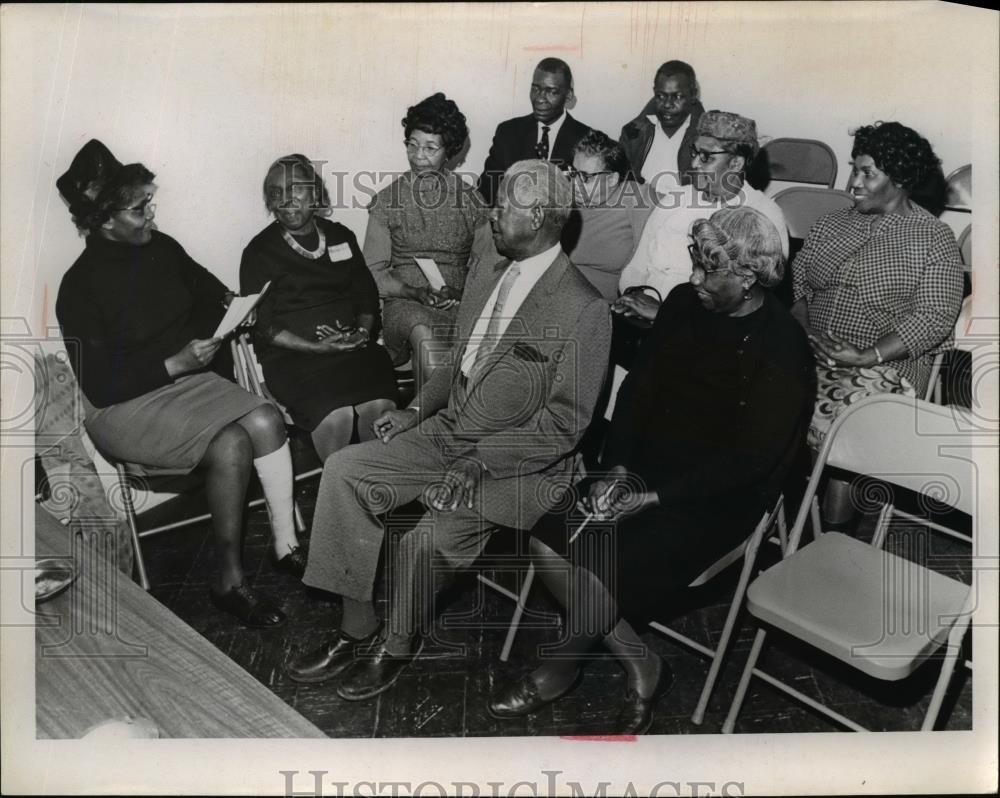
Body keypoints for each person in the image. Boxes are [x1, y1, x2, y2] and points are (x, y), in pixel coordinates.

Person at [286, 160, 612, 700]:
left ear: (537, 217)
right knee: (343, 471)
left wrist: (478, 462)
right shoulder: (489, 266)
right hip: (449, 431)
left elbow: (563, 426)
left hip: (517, 463)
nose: (492, 212)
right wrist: (418, 409)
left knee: (427, 534)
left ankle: (395, 645)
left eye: (504, 205)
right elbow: (461, 360)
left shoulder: (584, 308)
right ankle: (356, 627)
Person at [489, 207, 814, 734]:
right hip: (644, 465)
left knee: (599, 561)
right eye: (695, 264)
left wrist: (653, 498)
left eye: (710, 272)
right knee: (548, 541)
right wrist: (617, 466)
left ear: (749, 278)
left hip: (717, 494)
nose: (693, 281)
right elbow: (638, 392)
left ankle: (561, 666)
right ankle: (642, 661)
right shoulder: (685, 304)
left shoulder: (781, 344)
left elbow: (751, 460)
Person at [55, 139, 300, 626]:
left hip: (187, 382)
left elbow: (208, 290)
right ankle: (228, 581)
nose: (151, 214)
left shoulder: (161, 248)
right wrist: (175, 363)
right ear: (105, 220)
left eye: (149, 202)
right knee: (230, 442)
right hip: (124, 407)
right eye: (139, 208)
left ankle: (286, 545)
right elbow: (101, 385)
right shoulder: (78, 287)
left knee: (267, 418)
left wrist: (235, 308)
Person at [791, 121, 963, 526]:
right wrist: (802, 326)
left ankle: (833, 541)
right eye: (854, 168)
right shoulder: (830, 224)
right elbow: (798, 283)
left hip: (886, 365)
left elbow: (934, 317)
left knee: (847, 416)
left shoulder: (933, 238)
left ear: (900, 178)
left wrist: (866, 355)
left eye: (868, 172)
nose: (853, 182)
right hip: (808, 349)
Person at [240, 154, 397, 463]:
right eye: (276, 192)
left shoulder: (341, 236)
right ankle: (340, 496)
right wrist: (315, 348)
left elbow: (365, 295)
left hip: (353, 350)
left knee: (380, 407)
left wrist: (362, 333)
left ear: (315, 192)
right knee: (336, 415)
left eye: (296, 188)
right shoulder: (259, 252)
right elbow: (264, 325)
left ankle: (378, 490)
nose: (287, 199)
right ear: (269, 202)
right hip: (294, 360)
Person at [362, 94, 492, 394]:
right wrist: (413, 292)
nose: (418, 156)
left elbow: (490, 267)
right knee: (422, 328)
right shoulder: (386, 201)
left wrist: (461, 293)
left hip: (460, 304)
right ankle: (431, 428)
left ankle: (436, 424)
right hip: (405, 305)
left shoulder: (471, 200)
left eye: (431, 148)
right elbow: (372, 272)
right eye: (412, 144)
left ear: (451, 152)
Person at [615, 110, 789, 326]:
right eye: (694, 152)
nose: (694, 163)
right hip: (644, 317)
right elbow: (636, 267)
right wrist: (633, 296)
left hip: (704, 333)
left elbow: (748, 305)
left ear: (736, 164)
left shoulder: (764, 214)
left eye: (706, 157)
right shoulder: (675, 199)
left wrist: (665, 315)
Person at [476, 58, 591, 207]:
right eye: (535, 88)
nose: (539, 98)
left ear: (568, 95)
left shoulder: (587, 138)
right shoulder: (508, 132)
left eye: (552, 91)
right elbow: (487, 192)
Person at [560, 130, 657, 302]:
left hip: (600, 306)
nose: (575, 183)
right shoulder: (564, 199)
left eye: (585, 177)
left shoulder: (637, 199)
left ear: (612, 179)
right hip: (555, 293)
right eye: (573, 172)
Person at [618, 60, 705, 195]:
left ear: (693, 95)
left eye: (678, 96)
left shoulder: (708, 139)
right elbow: (622, 184)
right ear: (654, 93)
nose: (667, 104)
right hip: (639, 211)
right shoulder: (633, 133)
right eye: (661, 96)